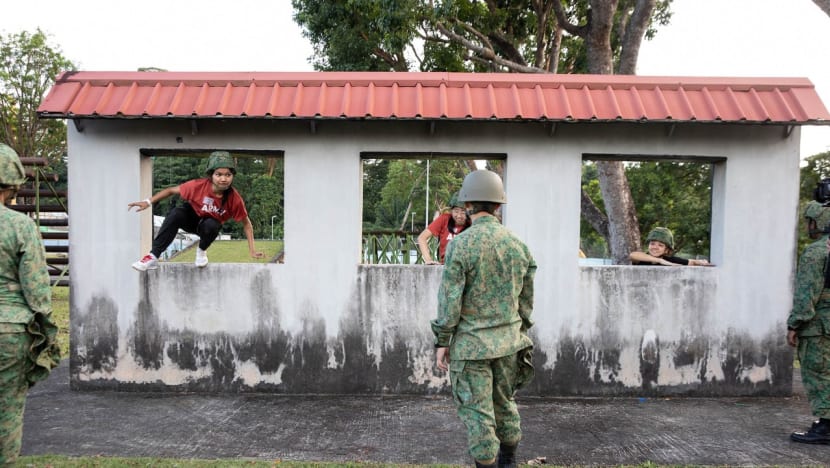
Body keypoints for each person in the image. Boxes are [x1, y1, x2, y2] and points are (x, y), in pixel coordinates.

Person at [431, 170, 536, 468]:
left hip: (471, 347)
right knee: (505, 404)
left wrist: (442, 341)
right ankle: (509, 462)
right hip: (508, 344)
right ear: (499, 205)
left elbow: (450, 301)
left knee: (479, 414)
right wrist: (517, 332)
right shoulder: (518, 245)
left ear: (467, 204)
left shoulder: (460, 245)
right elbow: (526, 302)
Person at [0, 143, 60, 465]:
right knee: (7, 410)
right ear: (11, 185)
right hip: (9, 330)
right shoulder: (20, 226)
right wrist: (48, 336)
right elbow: (36, 291)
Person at [128, 151, 264, 270]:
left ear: (232, 176)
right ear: (211, 175)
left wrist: (252, 250)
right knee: (176, 213)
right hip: (192, 219)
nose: (223, 179)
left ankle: (201, 251)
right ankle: (153, 256)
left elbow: (247, 224)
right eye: (219, 175)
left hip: (208, 227)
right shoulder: (197, 186)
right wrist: (147, 202)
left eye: (228, 175)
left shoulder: (234, 199)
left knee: (212, 224)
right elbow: (170, 190)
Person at [788, 200, 830, 444]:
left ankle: (826, 427)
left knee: (819, 373)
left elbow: (807, 294)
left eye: (810, 221)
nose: (808, 226)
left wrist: (794, 324)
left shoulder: (817, 251)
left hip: (820, 325)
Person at [417, 191, 471, 264]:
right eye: (456, 211)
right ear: (451, 211)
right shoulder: (444, 219)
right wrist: (428, 260)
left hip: (467, 265)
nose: (459, 216)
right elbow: (422, 238)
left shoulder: (473, 222)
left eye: (463, 212)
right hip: (446, 265)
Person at [629, 226, 710, 266]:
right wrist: (660, 261)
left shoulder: (670, 260)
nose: (655, 247)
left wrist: (700, 262)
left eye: (660, 245)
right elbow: (632, 255)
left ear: (666, 250)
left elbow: (691, 262)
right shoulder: (642, 258)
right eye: (652, 243)